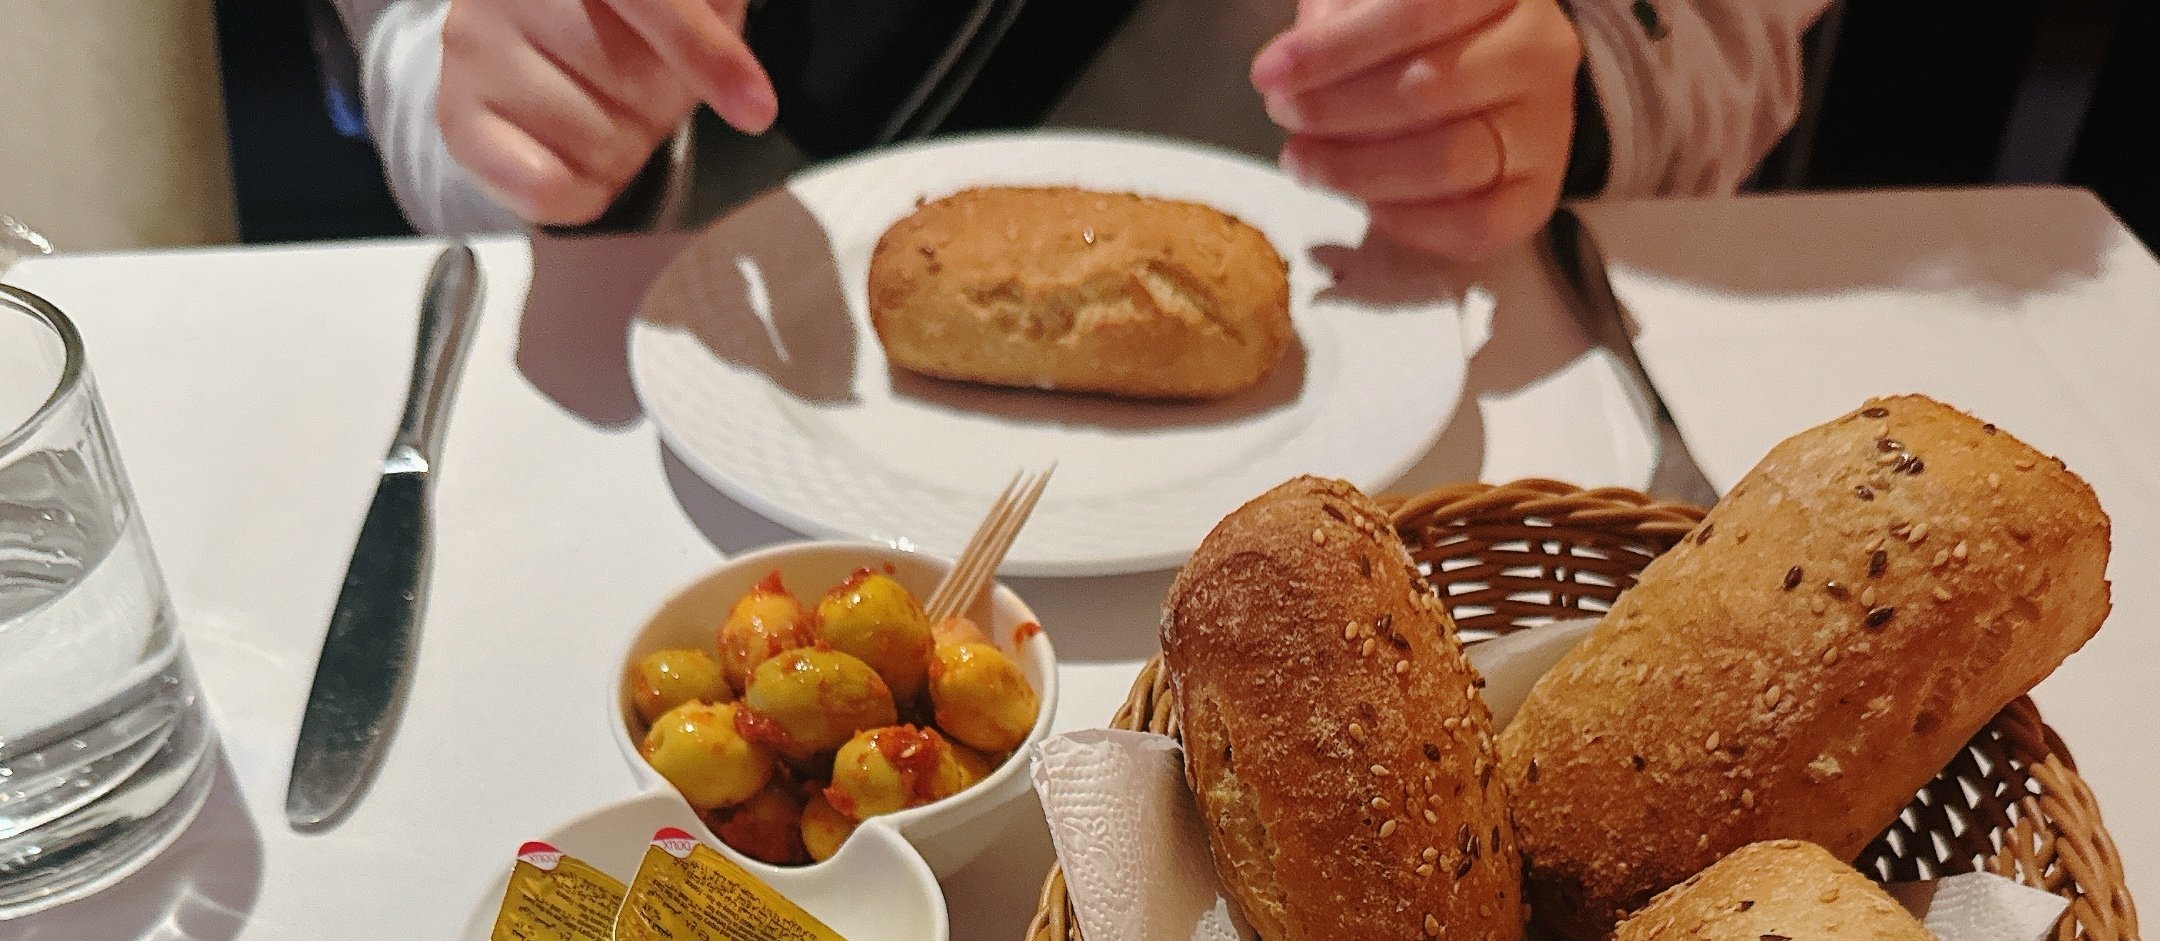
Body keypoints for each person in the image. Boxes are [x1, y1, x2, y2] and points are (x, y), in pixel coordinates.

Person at [332, 0, 1831, 256]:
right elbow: (419, 50)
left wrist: (1584, 95)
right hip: (692, 308)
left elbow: (1728, 37)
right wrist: (508, 91)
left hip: (1404, 308)